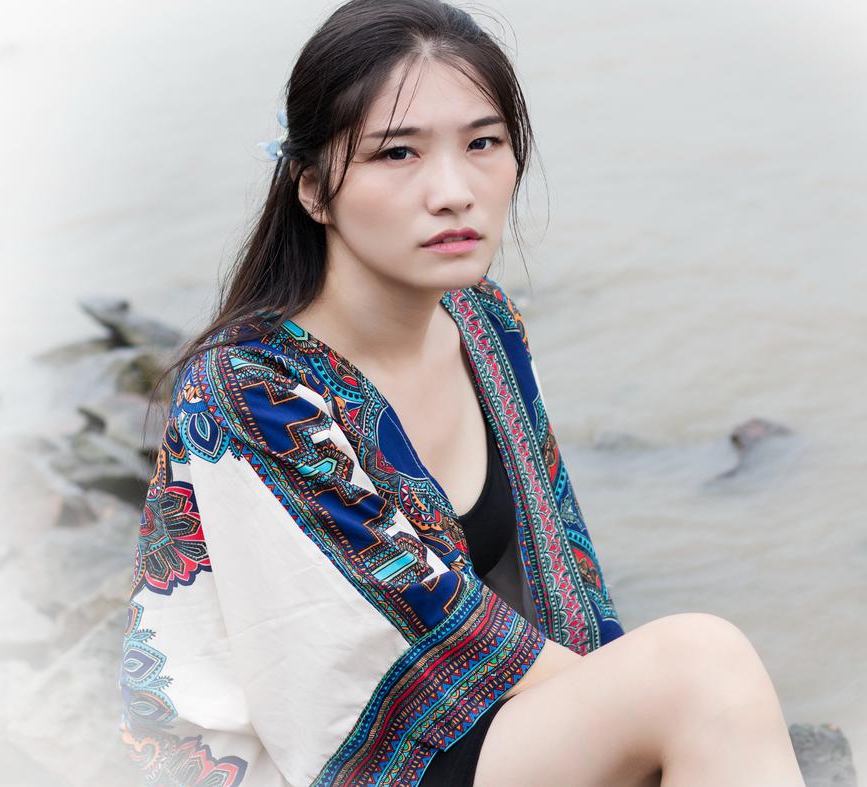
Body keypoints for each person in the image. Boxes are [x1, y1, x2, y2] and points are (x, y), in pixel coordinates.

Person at [118, 1, 806, 784]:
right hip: (349, 756)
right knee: (702, 667)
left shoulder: (482, 322)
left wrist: (637, 704)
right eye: (397, 153)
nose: (453, 191)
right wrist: (656, 702)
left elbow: (561, 566)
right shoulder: (250, 387)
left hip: (486, 733)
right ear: (313, 190)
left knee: (695, 681)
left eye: (483, 143)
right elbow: (423, 622)